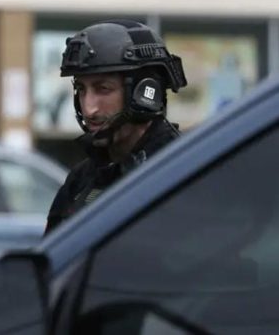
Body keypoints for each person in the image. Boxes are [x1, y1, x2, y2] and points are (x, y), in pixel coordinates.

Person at [45, 19, 187, 234]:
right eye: (82, 89)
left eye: (103, 89)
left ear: (145, 92)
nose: (89, 108)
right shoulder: (82, 179)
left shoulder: (184, 170)